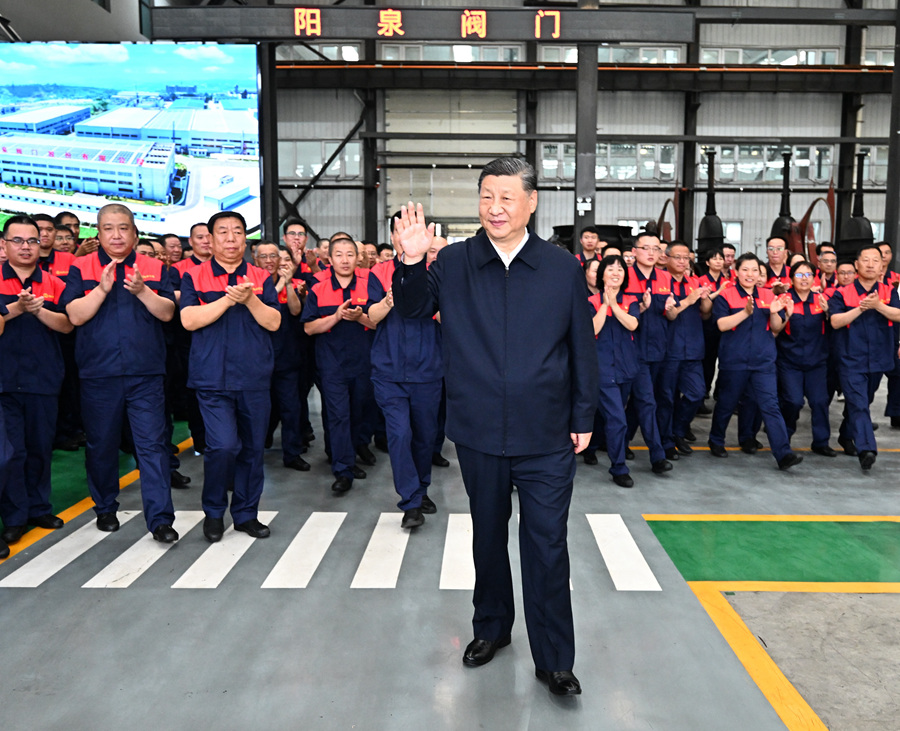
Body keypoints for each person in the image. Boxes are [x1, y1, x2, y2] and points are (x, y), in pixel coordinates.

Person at [392, 157, 597, 697]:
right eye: (487, 196)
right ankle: (491, 628)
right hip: (479, 429)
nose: (495, 207)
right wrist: (410, 261)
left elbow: (581, 346)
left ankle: (554, 658)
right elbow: (412, 310)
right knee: (486, 537)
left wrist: (583, 415)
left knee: (547, 545)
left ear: (531, 201)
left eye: (507, 196)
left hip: (547, 432)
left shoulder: (560, 268)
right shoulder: (455, 261)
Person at [61, 204, 179, 542]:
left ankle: (160, 520)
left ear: (135, 233)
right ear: (98, 234)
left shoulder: (153, 267)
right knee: (102, 444)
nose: (116, 235)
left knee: (153, 446)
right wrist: (101, 289)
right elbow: (75, 316)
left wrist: (143, 291)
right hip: (99, 373)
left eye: (123, 228)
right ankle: (105, 507)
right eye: (108, 228)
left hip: (146, 373)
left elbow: (167, 313)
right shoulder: (81, 267)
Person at [181, 212, 280, 541]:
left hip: (254, 377)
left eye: (237, 231)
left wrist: (250, 299)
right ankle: (213, 512)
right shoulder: (194, 276)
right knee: (222, 446)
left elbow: (274, 322)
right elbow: (189, 320)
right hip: (212, 378)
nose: (230, 238)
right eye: (222, 232)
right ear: (210, 239)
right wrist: (227, 299)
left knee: (252, 450)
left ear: (245, 239)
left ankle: (246, 514)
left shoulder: (260, 276)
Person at [0, 216, 72, 547]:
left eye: (32, 240)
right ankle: (15, 517)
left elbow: (68, 325)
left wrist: (38, 310)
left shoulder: (54, 282)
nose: (26, 247)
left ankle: (39, 508)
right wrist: (17, 308)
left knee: (40, 448)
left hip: (43, 377)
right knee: (12, 452)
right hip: (5, 379)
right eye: (18, 240)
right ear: (5, 245)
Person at [367, 230, 442, 528]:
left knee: (425, 436)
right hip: (389, 370)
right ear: (394, 236)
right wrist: (388, 301)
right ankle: (410, 502)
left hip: (428, 369)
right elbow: (372, 316)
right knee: (399, 434)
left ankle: (421, 489)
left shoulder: (436, 273)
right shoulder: (379, 272)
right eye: (401, 233)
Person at [707, 253, 803, 470]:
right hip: (735, 360)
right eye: (745, 270)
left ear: (761, 274)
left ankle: (783, 453)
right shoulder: (726, 295)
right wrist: (745, 312)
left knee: (770, 405)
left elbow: (776, 328)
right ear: (736, 272)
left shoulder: (769, 295)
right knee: (727, 403)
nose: (750, 274)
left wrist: (780, 314)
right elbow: (721, 325)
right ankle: (716, 439)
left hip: (763, 361)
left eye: (755, 271)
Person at [301, 238, 374, 493]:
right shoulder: (318, 289)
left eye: (350, 254)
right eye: (339, 255)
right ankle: (343, 470)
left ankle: (348, 457)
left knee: (357, 413)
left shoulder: (369, 285)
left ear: (358, 258)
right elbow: (309, 328)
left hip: (363, 362)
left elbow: (381, 324)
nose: (345, 260)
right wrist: (336, 316)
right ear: (329, 260)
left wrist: (360, 317)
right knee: (338, 415)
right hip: (331, 364)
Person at [829, 244, 900, 470]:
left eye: (875, 260)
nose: (870, 264)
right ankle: (867, 449)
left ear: (882, 266)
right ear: (857, 265)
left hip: (879, 358)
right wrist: (860, 308)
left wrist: (878, 306)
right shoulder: (842, 292)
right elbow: (835, 321)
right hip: (851, 358)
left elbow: (898, 315)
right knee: (859, 404)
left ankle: (846, 435)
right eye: (866, 260)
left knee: (863, 401)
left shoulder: (889, 292)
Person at [255, 242, 310, 473]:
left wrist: (287, 283)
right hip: (258, 359)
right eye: (264, 256)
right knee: (258, 410)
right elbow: (260, 307)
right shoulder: (251, 284)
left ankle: (292, 453)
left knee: (291, 407)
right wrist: (277, 285)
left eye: (273, 256)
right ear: (255, 260)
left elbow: (296, 311)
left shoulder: (293, 283)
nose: (269, 260)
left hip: (287, 356)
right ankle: (254, 453)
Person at [589, 255, 640, 486]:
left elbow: (633, 324)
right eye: (610, 268)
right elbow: (592, 329)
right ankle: (619, 468)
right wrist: (605, 304)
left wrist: (615, 306)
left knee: (608, 415)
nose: (616, 272)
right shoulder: (591, 301)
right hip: (602, 369)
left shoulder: (631, 300)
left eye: (620, 269)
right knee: (617, 419)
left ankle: (591, 447)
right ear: (602, 275)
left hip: (626, 368)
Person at [775, 261, 835, 456]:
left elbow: (833, 327)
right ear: (791, 279)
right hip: (789, 362)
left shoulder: (821, 299)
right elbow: (775, 329)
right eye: (799, 275)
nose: (804, 279)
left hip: (816, 362)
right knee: (793, 401)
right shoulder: (784, 300)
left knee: (820, 401)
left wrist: (828, 312)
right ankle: (784, 438)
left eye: (808, 275)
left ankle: (821, 442)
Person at [657, 242, 708, 459]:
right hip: (668, 349)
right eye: (677, 257)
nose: (682, 261)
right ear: (666, 258)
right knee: (666, 398)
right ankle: (666, 441)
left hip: (693, 349)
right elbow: (667, 314)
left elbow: (706, 313)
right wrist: (688, 300)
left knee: (696, 393)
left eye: (686, 258)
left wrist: (705, 298)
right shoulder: (660, 283)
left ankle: (678, 431)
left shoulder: (695, 282)